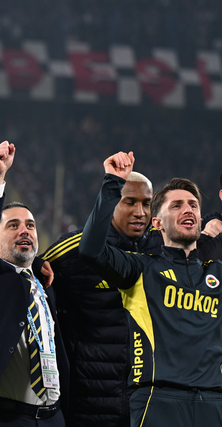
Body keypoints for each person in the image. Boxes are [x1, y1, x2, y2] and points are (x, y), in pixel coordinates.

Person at [78, 151, 222, 427]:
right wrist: (112, 183)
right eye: (176, 205)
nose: (188, 210)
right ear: (157, 223)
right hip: (158, 401)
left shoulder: (217, 274)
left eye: (193, 205)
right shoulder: (140, 269)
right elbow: (91, 250)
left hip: (215, 402)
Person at [0, 141, 68, 426]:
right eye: (13, 225)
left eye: (30, 225)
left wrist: (36, 263)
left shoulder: (44, 281)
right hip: (4, 418)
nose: (24, 230)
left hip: (53, 418)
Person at [41, 172, 157, 427]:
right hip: (88, 404)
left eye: (146, 204)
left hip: (146, 407)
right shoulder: (73, 250)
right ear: (112, 202)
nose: (140, 212)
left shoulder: (162, 251)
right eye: (129, 202)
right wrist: (37, 264)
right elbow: (32, 277)